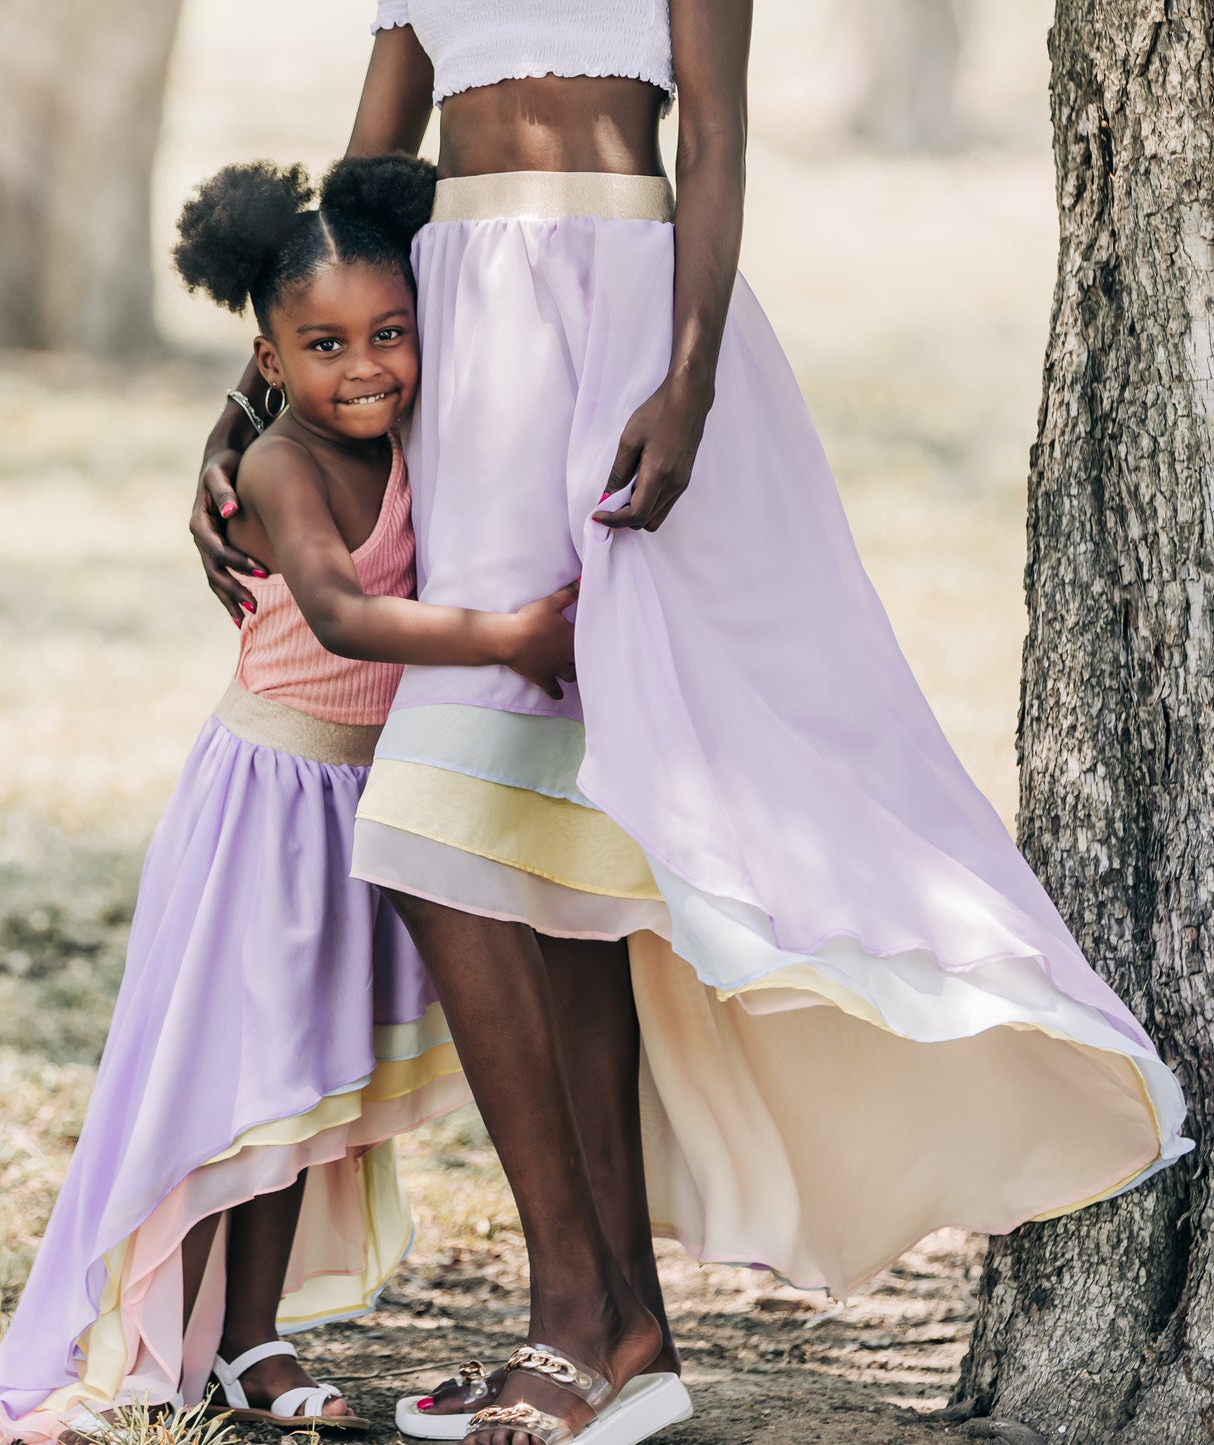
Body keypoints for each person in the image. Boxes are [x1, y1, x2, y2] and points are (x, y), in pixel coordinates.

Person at [191, 7, 1192, 1445]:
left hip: (625, 337)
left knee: (532, 834)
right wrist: (254, 399)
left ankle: (588, 1323)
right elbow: (362, 178)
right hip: (462, 348)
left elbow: (711, 135)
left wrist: (691, 376)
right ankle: (614, 1325)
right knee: (481, 829)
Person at [0, 152, 581, 1444]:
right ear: (265, 358)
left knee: (297, 1093)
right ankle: (226, 1333)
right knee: (242, 1081)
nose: (363, 367)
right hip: (265, 808)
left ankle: (248, 1336)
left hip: (357, 805)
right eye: (322, 344)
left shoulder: (408, 431)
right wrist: (510, 634)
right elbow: (345, 612)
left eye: (389, 335)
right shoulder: (277, 472)